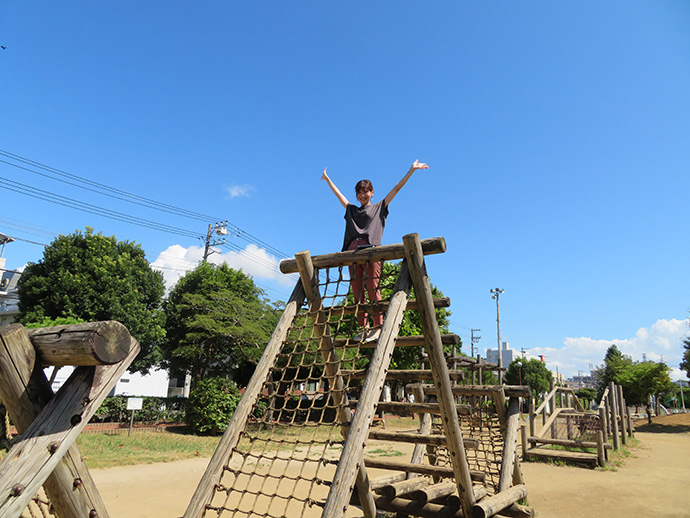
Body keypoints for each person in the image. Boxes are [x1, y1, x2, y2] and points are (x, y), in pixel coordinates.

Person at [321, 159, 429, 342]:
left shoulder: (379, 207)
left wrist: (411, 171)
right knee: (357, 292)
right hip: (352, 255)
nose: (363, 195)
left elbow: (396, 188)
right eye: (359, 193)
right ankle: (364, 328)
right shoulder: (352, 210)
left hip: (371, 252)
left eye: (366, 192)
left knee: (373, 287)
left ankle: (378, 326)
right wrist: (328, 179)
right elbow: (339, 196)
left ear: (372, 193)